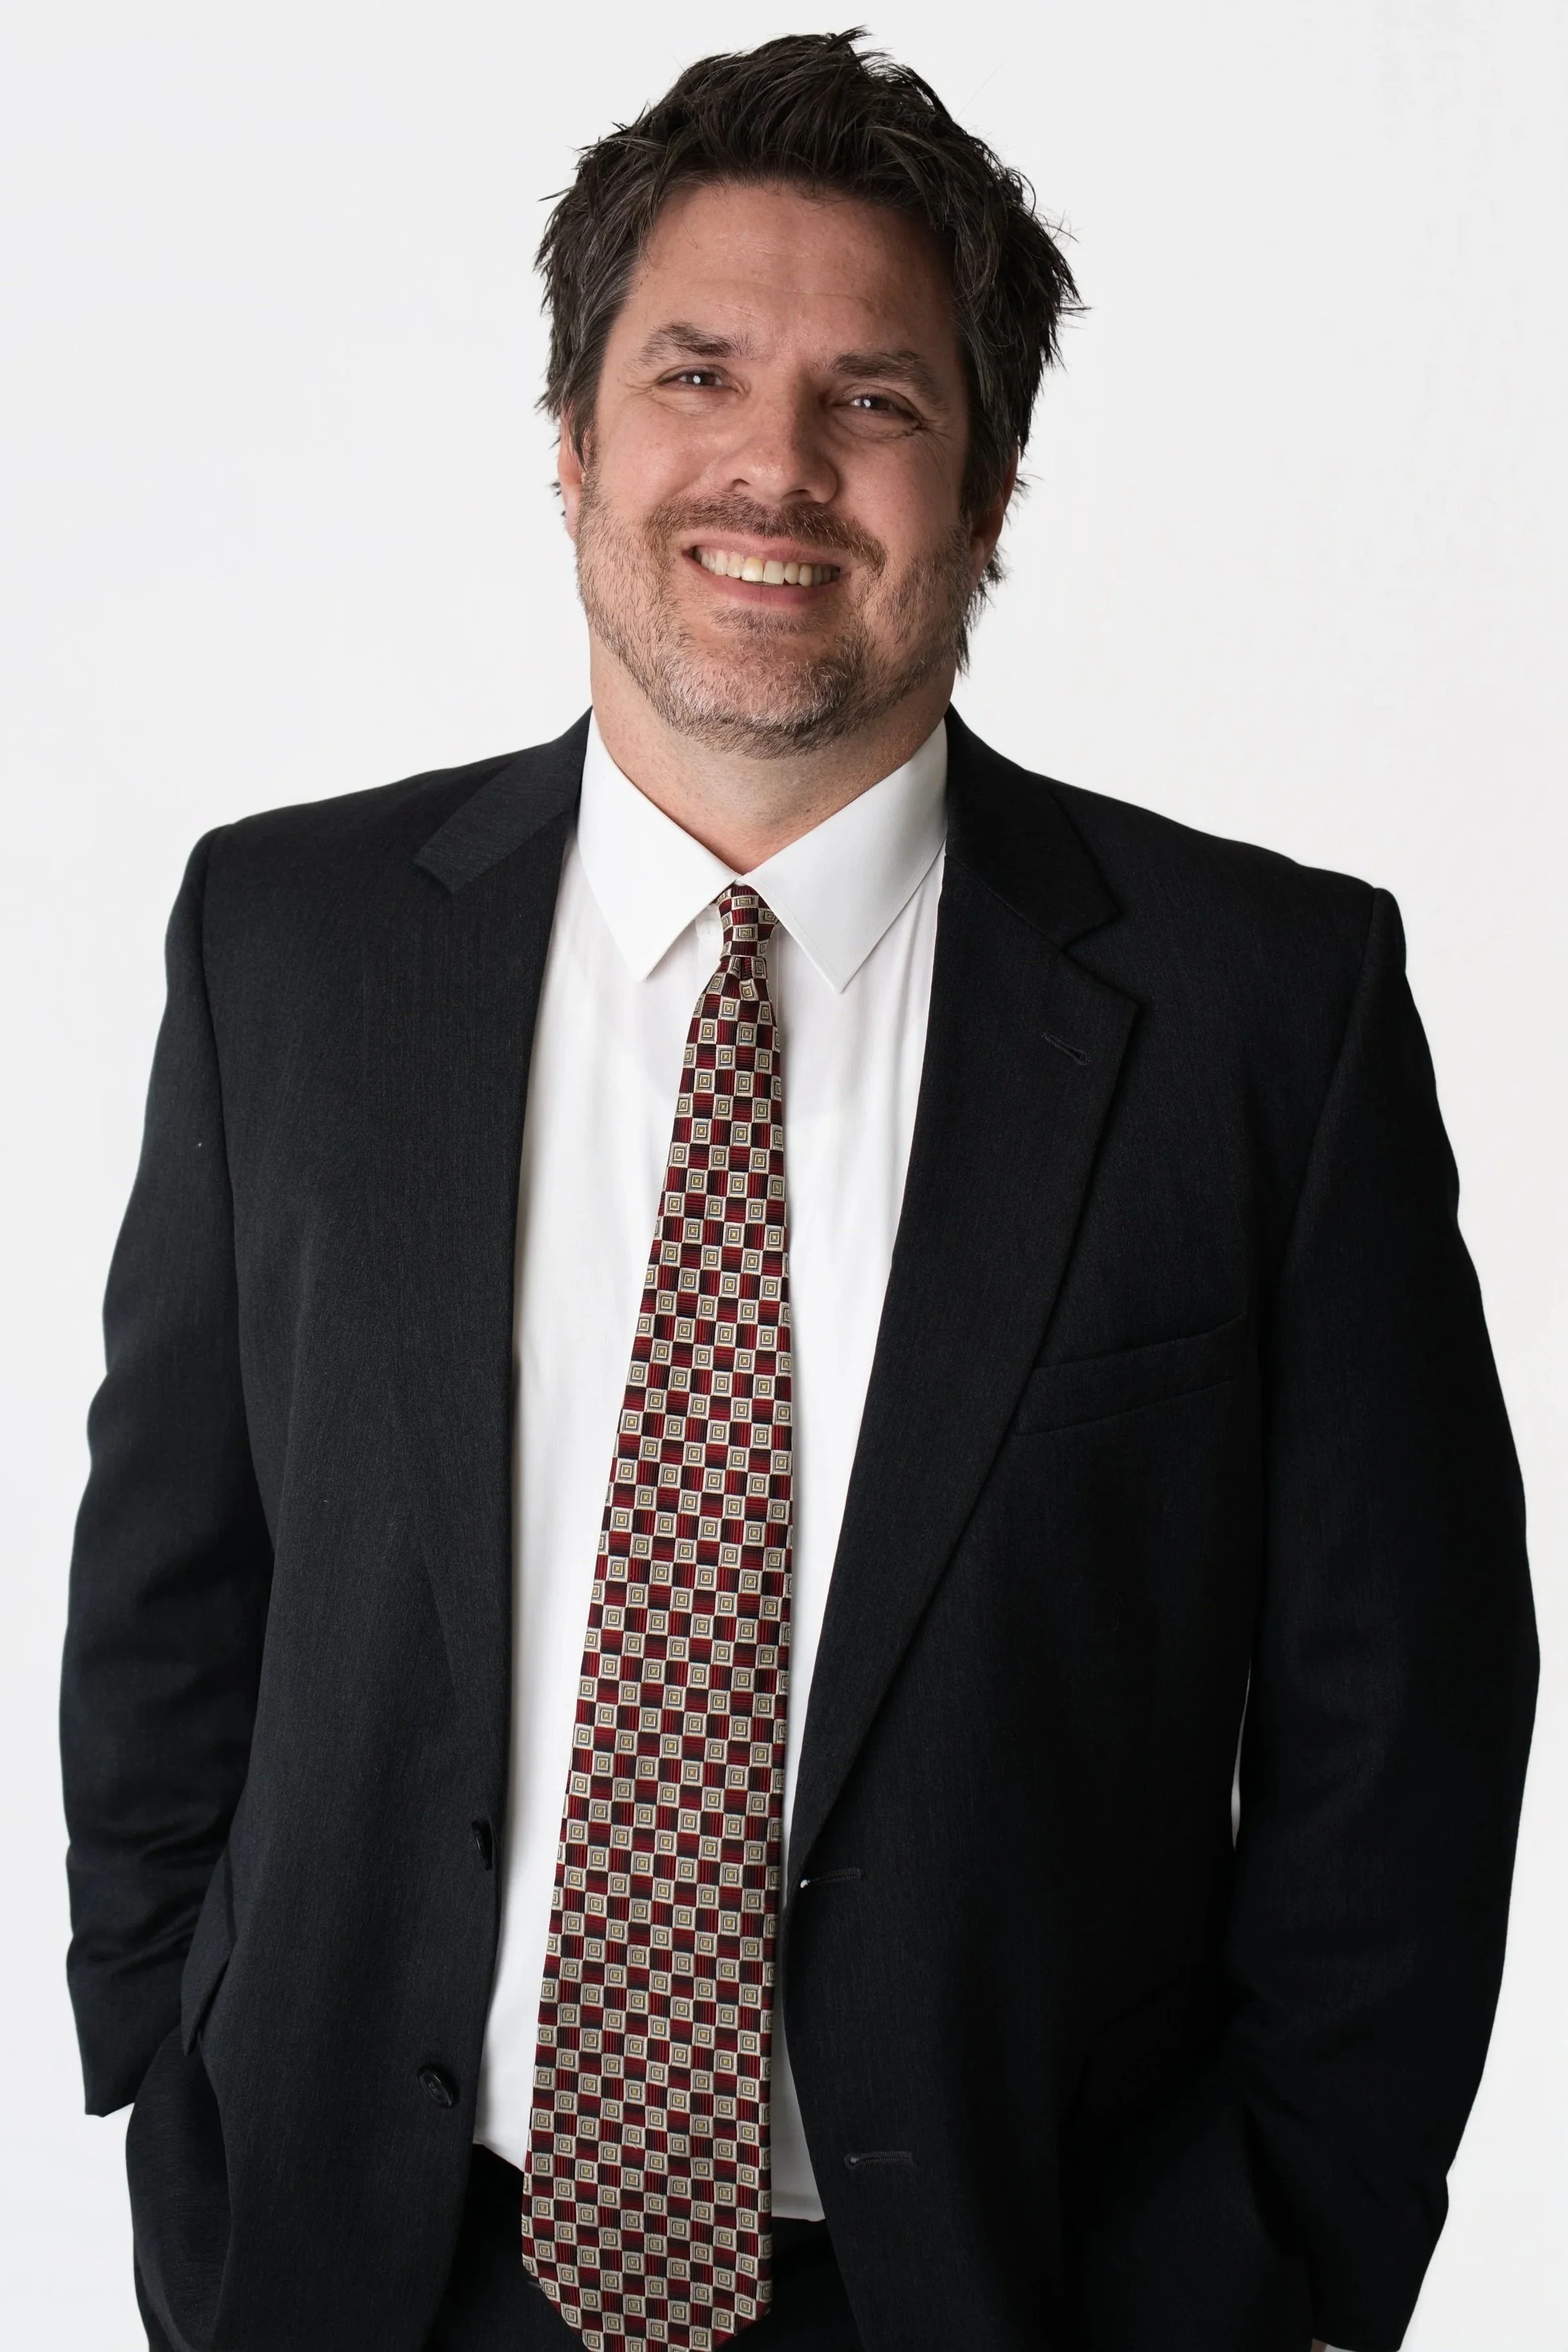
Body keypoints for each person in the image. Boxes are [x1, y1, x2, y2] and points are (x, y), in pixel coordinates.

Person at [61, 30, 1536, 2352]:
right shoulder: (294, 945)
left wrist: (1290, 2251)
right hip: (364, 2253)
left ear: (992, 482)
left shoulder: (1270, 1008)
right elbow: (173, 1568)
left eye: (875, 397)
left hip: (1022, 2280)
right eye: (698, 374)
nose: (774, 468)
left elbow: (1408, 1704)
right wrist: (167, 2055)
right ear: (570, 447)